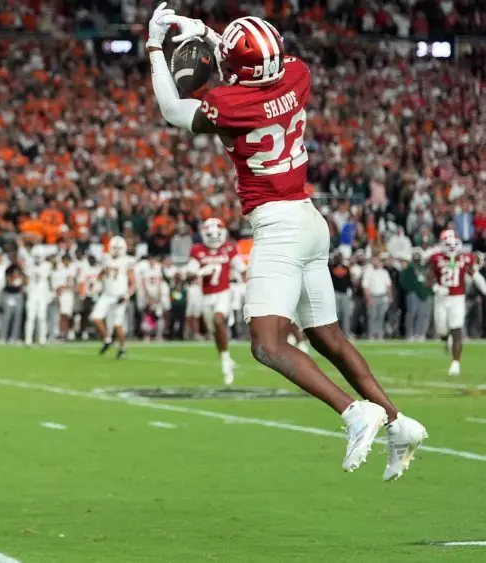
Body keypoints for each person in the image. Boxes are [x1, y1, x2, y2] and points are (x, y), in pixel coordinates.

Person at [147, 5, 425, 479]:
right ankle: (399, 424)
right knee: (326, 336)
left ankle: (353, 411)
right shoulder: (298, 74)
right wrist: (209, 35)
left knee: (267, 345)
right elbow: (256, 68)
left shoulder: (232, 104)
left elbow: (174, 110)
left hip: (277, 225)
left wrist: (156, 46)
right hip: (309, 217)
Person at [187, 219, 244, 385]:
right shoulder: (197, 250)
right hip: (206, 296)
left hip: (223, 293)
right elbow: (190, 274)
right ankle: (225, 356)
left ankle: (226, 361)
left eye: (216, 235)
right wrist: (198, 271)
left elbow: (241, 267)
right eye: (210, 235)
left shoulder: (229, 248)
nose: (213, 238)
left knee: (219, 320)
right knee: (215, 333)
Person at [427, 229, 486, 376]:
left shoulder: (465, 258)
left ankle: (455, 363)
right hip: (441, 298)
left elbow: (475, 275)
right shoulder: (436, 258)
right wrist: (436, 287)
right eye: (449, 244)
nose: (452, 247)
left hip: (457, 298)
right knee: (441, 331)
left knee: (457, 328)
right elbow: (429, 279)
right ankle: (448, 339)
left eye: (454, 244)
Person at [90, 236, 135, 359]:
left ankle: (122, 348)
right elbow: (103, 272)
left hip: (119, 296)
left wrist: (126, 295)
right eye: (114, 248)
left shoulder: (127, 261)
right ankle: (108, 339)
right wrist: (95, 281)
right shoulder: (106, 259)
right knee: (95, 318)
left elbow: (133, 282)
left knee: (117, 324)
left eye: (118, 248)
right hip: (106, 294)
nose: (115, 250)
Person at [24, 246, 53, 346]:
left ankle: (42, 338)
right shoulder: (29, 265)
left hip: (42, 294)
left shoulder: (47, 265)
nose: (37, 259)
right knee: (30, 317)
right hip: (32, 293)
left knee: (42, 317)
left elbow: (45, 277)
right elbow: (28, 276)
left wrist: (50, 293)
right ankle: (28, 339)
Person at [362, 255, 393, 340]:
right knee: (372, 316)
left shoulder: (384, 272)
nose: (375, 262)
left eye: (377, 260)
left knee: (381, 316)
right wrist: (368, 298)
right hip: (373, 297)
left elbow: (388, 285)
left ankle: (379, 334)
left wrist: (390, 297)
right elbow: (365, 286)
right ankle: (372, 335)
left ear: (380, 262)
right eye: (374, 260)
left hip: (382, 296)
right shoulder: (368, 272)